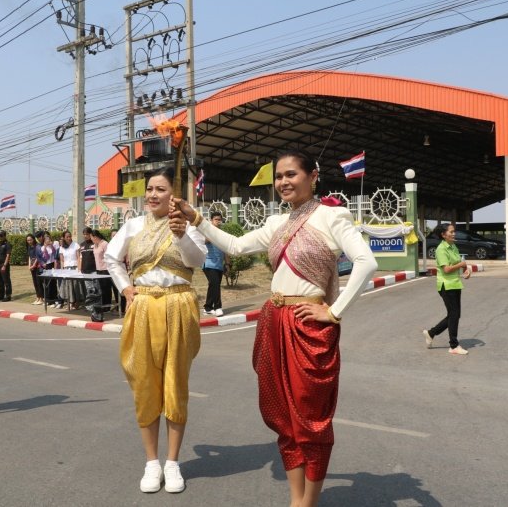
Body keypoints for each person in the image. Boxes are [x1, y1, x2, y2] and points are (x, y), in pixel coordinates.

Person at [171, 151, 377, 507]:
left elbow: (366, 262)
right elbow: (235, 246)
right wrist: (196, 218)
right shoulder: (277, 223)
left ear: (313, 176)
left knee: (311, 418)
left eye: (291, 174)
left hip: (309, 326)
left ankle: (308, 502)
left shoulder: (332, 216)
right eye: (279, 176)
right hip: (274, 321)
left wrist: (334, 312)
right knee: (283, 416)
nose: (283, 182)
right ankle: (296, 499)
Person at [105, 166, 207, 494]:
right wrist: (126, 288)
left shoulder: (189, 224)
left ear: (174, 195)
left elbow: (198, 261)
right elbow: (111, 258)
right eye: (150, 189)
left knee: (175, 383)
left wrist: (181, 234)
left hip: (178, 304)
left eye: (160, 189)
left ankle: (172, 462)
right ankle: (152, 462)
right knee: (144, 383)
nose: (152, 195)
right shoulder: (134, 225)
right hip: (144, 305)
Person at [422, 223, 471, 355]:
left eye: (454, 231)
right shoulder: (441, 249)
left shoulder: (453, 246)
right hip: (446, 285)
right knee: (454, 314)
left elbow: (459, 263)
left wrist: (465, 270)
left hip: (455, 284)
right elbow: (447, 269)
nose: (454, 234)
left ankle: (431, 333)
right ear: (443, 235)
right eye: (451, 232)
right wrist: (462, 264)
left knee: (454, 315)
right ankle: (453, 345)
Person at [202, 212, 228, 317]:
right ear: (211, 220)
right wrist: (213, 233)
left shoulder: (222, 233)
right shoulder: (207, 231)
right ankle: (218, 307)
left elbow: (225, 249)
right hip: (208, 263)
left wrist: (227, 263)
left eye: (220, 220)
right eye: (216, 219)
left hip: (219, 264)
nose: (218, 221)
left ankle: (208, 307)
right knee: (215, 284)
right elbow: (204, 241)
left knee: (213, 285)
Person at [57, 230, 84, 309]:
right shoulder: (61, 247)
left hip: (74, 268)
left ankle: (77, 302)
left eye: (70, 236)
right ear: (64, 238)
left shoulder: (75, 245)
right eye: (67, 237)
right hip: (66, 269)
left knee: (76, 286)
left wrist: (79, 268)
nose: (69, 238)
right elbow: (62, 260)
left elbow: (78, 257)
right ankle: (70, 302)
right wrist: (62, 270)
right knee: (68, 286)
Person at [39, 234, 59, 307]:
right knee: (48, 283)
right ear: (44, 240)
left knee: (53, 282)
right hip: (47, 265)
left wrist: (51, 246)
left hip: (53, 264)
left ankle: (54, 299)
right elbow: (46, 257)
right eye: (46, 239)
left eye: (49, 239)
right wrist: (45, 247)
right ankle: (48, 300)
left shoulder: (53, 246)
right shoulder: (42, 248)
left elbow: (54, 254)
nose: (48, 240)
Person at [0, 230, 12, 302]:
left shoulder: (7, 244)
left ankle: (8, 296)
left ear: (4, 236)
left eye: (1, 236)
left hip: (4, 264)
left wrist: (4, 265)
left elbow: (8, 255)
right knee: (0, 280)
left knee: (6, 280)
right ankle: (1, 295)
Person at [26, 233, 44, 305]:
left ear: (33, 239)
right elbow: (29, 257)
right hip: (32, 267)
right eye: (28, 240)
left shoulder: (37, 246)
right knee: (35, 282)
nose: (29, 241)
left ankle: (41, 298)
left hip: (37, 266)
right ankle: (38, 297)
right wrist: (29, 266)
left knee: (39, 282)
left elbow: (37, 257)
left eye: (30, 240)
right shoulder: (29, 247)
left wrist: (34, 265)